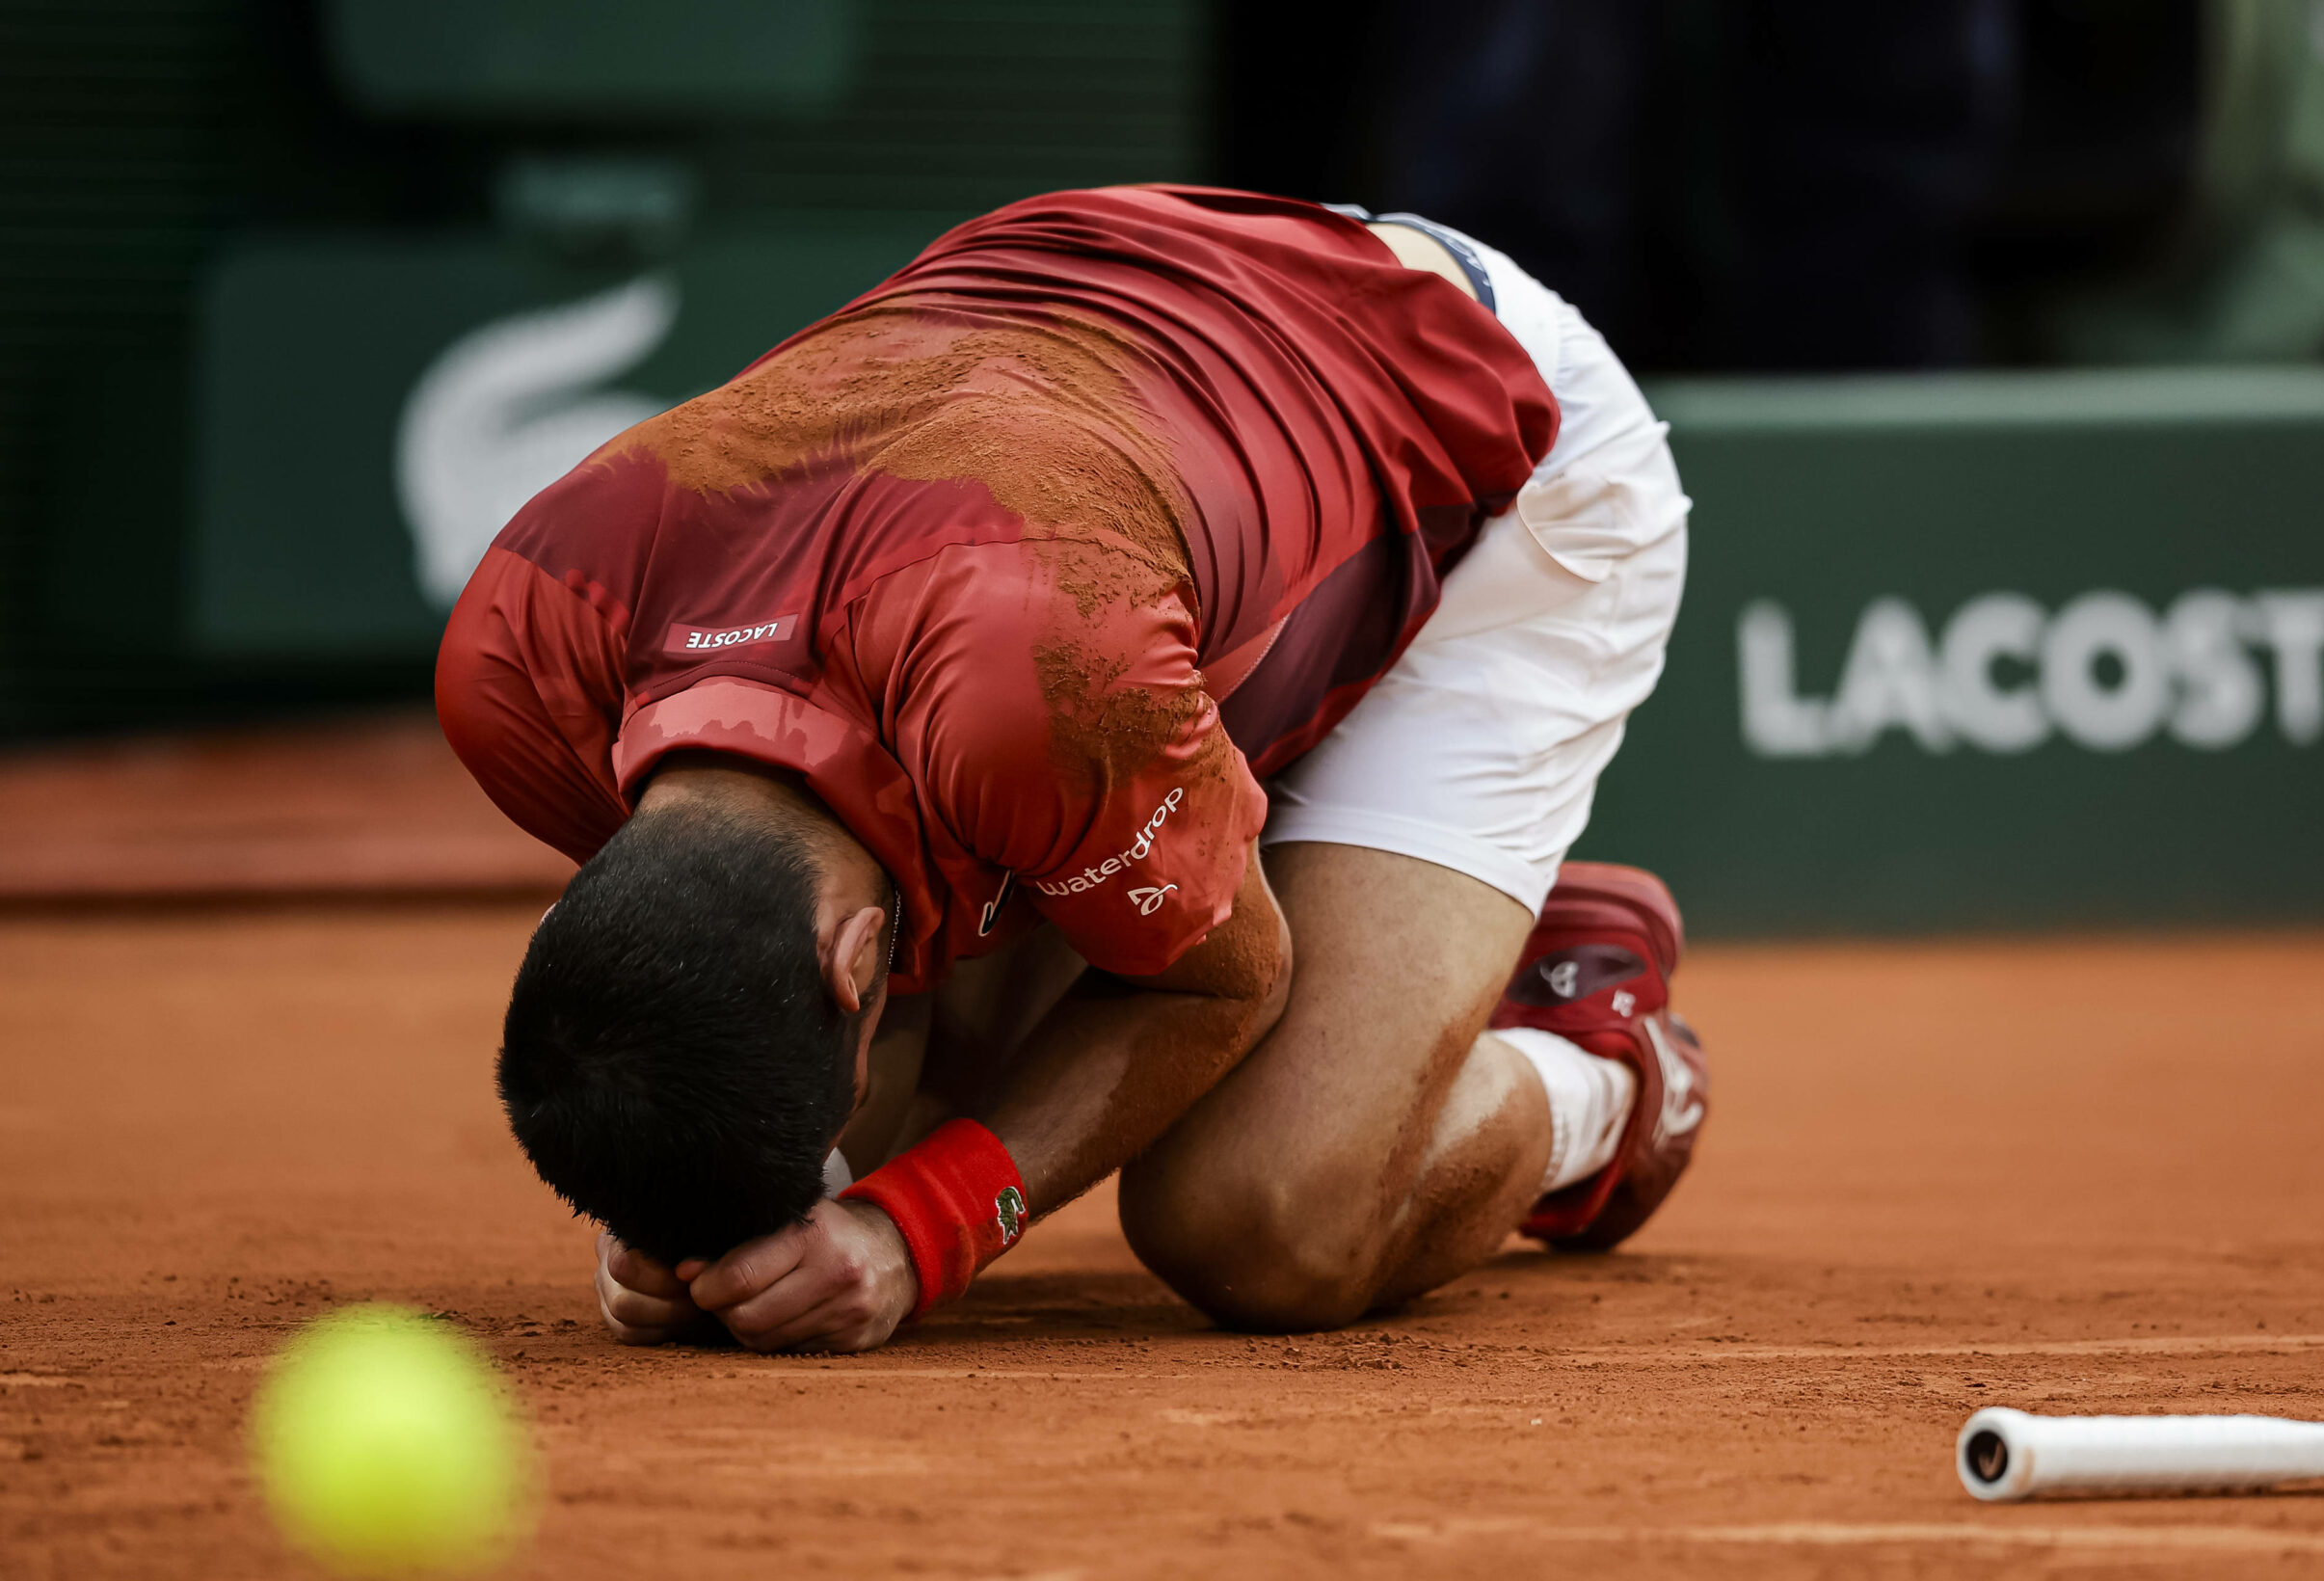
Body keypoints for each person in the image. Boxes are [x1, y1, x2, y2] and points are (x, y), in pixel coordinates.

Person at [436, 185, 1708, 1354]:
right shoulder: (518, 671)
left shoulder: (1028, 684)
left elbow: (1223, 984)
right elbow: (736, 990)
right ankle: (1351, 913)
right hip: (1115, 403)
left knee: (1265, 1222)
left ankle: (1593, 1062)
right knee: (879, 1117)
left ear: (855, 957)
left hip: (1479, 445)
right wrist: (679, 1220)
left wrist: (914, 1226)